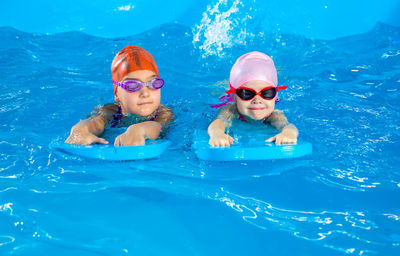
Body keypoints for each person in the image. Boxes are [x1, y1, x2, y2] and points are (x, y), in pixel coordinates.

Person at [65, 46, 174, 146]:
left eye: (154, 83)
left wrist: (139, 130)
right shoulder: (111, 111)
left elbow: (158, 127)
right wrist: (80, 129)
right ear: (117, 94)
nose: (145, 93)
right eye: (132, 85)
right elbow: (96, 122)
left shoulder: (163, 113)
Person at [208, 51, 298, 147]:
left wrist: (288, 134)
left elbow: (287, 126)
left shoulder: (274, 114)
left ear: (275, 96)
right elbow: (217, 123)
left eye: (267, 92)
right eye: (246, 93)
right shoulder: (230, 110)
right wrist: (217, 134)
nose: (257, 100)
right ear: (235, 96)